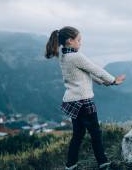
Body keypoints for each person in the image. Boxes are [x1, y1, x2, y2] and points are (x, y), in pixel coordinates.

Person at [45, 26, 126, 170]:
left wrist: (106, 83)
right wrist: (113, 80)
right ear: (70, 41)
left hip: (73, 101)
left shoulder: (64, 55)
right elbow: (95, 69)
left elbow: (87, 74)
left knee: (78, 134)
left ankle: (70, 165)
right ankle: (103, 163)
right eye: (79, 40)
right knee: (95, 133)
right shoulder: (76, 56)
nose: (80, 43)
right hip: (83, 101)